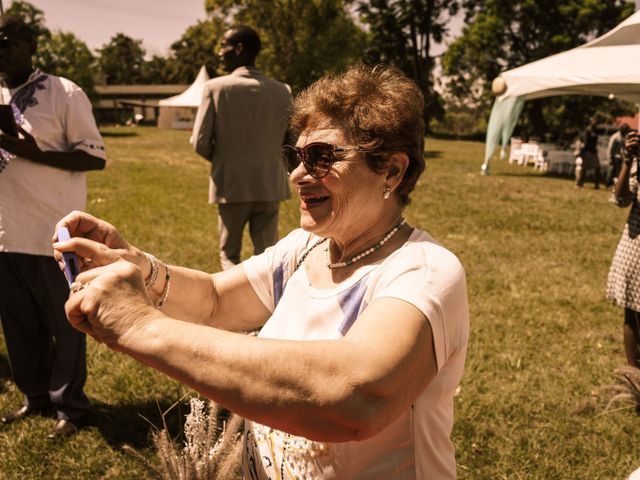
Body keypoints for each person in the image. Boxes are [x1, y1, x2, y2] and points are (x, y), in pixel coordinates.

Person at [54, 65, 469, 478]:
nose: (296, 175)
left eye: (321, 158)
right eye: (295, 156)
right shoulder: (307, 248)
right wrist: (136, 264)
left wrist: (140, 326)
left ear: (392, 171)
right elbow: (216, 299)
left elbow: (356, 398)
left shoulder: (424, 271)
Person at [0, 16, 106, 439]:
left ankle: (71, 406)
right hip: (4, 235)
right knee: (19, 325)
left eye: (6, 42)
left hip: (51, 232)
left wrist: (30, 151)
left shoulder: (64, 92)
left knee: (66, 324)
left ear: (31, 44)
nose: (0, 50)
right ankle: (36, 398)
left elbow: (94, 157)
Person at [191, 25, 292, 270]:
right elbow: (291, 141)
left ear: (238, 49)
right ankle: (271, 305)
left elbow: (200, 142)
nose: (219, 52)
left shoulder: (215, 88)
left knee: (229, 256)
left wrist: (226, 159)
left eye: (223, 45)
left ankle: (233, 306)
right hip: (270, 185)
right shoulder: (283, 91)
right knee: (269, 258)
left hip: (231, 185)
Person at [607, 129, 640, 367]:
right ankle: (633, 380)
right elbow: (621, 199)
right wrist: (628, 161)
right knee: (631, 313)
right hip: (634, 249)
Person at [576, 117, 602, 189]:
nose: (595, 123)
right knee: (584, 169)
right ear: (590, 122)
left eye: (596, 122)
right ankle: (579, 184)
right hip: (587, 151)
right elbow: (586, 142)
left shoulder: (596, 131)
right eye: (594, 121)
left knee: (597, 168)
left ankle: (596, 185)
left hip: (593, 152)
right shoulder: (587, 131)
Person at [606, 123, 631, 187]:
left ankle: (618, 184)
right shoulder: (615, 137)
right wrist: (610, 158)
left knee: (619, 171)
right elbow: (610, 148)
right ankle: (608, 183)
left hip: (621, 156)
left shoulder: (625, 136)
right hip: (614, 156)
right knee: (612, 170)